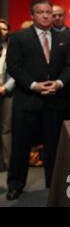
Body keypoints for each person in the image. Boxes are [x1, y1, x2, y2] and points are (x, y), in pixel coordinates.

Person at [6, 0, 70, 200]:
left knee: (53, 146)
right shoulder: (19, 37)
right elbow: (14, 66)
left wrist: (59, 83)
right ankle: (15, 185)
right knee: (20, 145)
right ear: (32, 15)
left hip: (54, 100)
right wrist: (34, 85)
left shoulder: (63, 37)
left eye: (48, 12)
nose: (45, 16)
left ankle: (53, 185)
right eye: (40, 12)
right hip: (27, 100)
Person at [0, 19, 14, 171]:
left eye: (4, 28)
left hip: (7, 91)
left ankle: (8, 163)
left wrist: (6, 87)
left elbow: (17, 69)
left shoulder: (12, 47)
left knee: (6, 129)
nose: (1, 31)